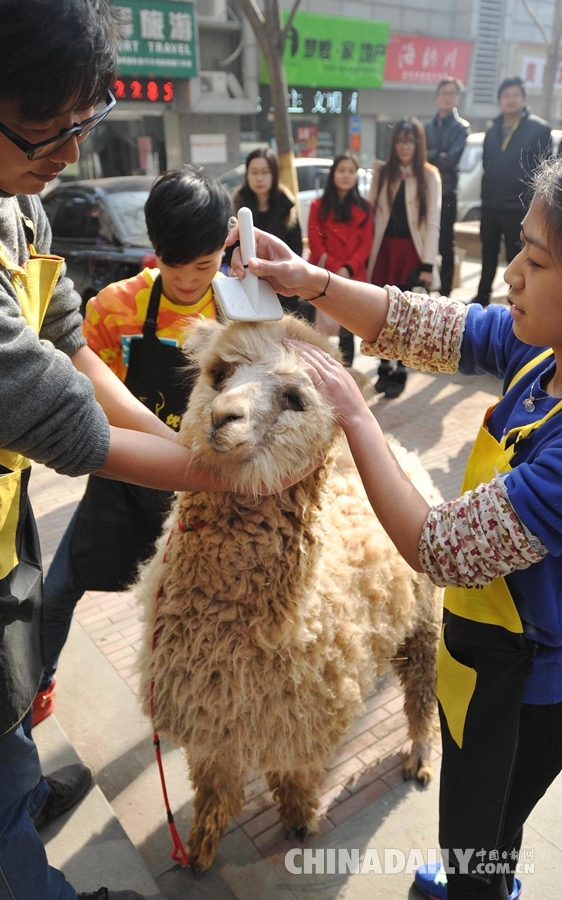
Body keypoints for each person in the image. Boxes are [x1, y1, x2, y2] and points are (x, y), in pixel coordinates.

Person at [229, 151, 562, 900]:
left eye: (534, 263)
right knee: (471, 813)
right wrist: (310, 281)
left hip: (529, 683)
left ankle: (482, 886)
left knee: (487, 823)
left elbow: (438, 546)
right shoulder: (541, 353)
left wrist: (353, 412)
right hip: (480, 651)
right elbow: (428, 323)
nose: (509, 273)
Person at [0, 3, 239, 899]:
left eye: (81, 124)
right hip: (124, 485)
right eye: (41, 131)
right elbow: (58, 404)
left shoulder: (22, 209)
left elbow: (65, 346)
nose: (66, 153)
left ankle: (20, 774)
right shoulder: (130, 300)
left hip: (29, 510)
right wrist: (217, 472)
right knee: (59, 600)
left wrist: (191, 457)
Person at [34, 168, 232, 726]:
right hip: (124, 481)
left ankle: (197, 710)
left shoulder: (238, 313)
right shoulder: (111, 309)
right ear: (155, 249)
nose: (190, 281)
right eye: (173, 264)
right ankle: (35, 690)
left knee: (195, 611)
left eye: (205, 265)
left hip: (202, 493)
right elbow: (84, 396)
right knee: (57, 591)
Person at [367, 118, 441, 399]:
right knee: (382, 312)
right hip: (383, 251)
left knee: (405, 317)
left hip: (412, 253)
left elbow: (433, 222)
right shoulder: (382, 171)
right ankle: (383, 365)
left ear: (418, 144)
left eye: (410, 141)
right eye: (400, 140)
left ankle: (400, 369)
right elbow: (370, 211)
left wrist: (428, 265)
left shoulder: (429, 174)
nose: (405, 146)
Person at [471, 76, 551, 307]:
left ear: (524, 99)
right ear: (499, 101)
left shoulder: (538, 129)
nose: (511, 100)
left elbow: (543, 171)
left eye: (515, 95)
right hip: (491, 204)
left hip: (519, 207)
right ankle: (482, 295)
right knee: (488, 253)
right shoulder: (492, 129)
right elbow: (487, 164)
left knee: (517, 256)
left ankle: (516, 299)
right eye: (506, 96)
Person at [230, 147, 313, 323]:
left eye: (265, 172)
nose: (259, 178)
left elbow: (296, 247)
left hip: (282, 286)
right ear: (247, 174)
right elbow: (229, 249)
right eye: (254, 172)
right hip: (246, 286)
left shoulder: (286, 204)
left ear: (274, 174)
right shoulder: (238, 205)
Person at [307, 151, 373, 366]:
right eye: (341, 170)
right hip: (322, 273)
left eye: (351, 171)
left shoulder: (365, 208)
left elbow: (366, 244)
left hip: (353, 276)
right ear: (333, 173)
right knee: (317, 331)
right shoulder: (318, 206)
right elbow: (315, 243)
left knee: (347, 332)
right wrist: (337, 267)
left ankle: (348, 377)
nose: (346, 175)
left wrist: (348, 268)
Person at [424, 77, 470, 298]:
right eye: (444, 93)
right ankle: (423, 286)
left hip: (448, 192)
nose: (447, 97)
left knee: (445, 244)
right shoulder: (425, 127)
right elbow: (421, 157)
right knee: (423, 238)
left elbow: (451, 159)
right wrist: (436, 155)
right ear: (436, 97)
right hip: (425, 191)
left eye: (452, 93)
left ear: (457, 98)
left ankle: (445, 293)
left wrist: (434, 155)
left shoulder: (462, 127)